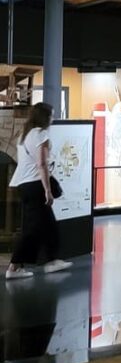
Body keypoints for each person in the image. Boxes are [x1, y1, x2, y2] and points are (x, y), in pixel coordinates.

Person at [5, 102, 72, 279]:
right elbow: (41, 164)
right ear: (44, 117)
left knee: (41, 225)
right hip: (35, 185)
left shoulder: (24, 135)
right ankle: (16, 267)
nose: (53, 118)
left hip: (23, 185)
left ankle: (47, 261)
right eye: (51, 114)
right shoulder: (40, 134)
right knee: (36, 228)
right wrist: (47, 191)